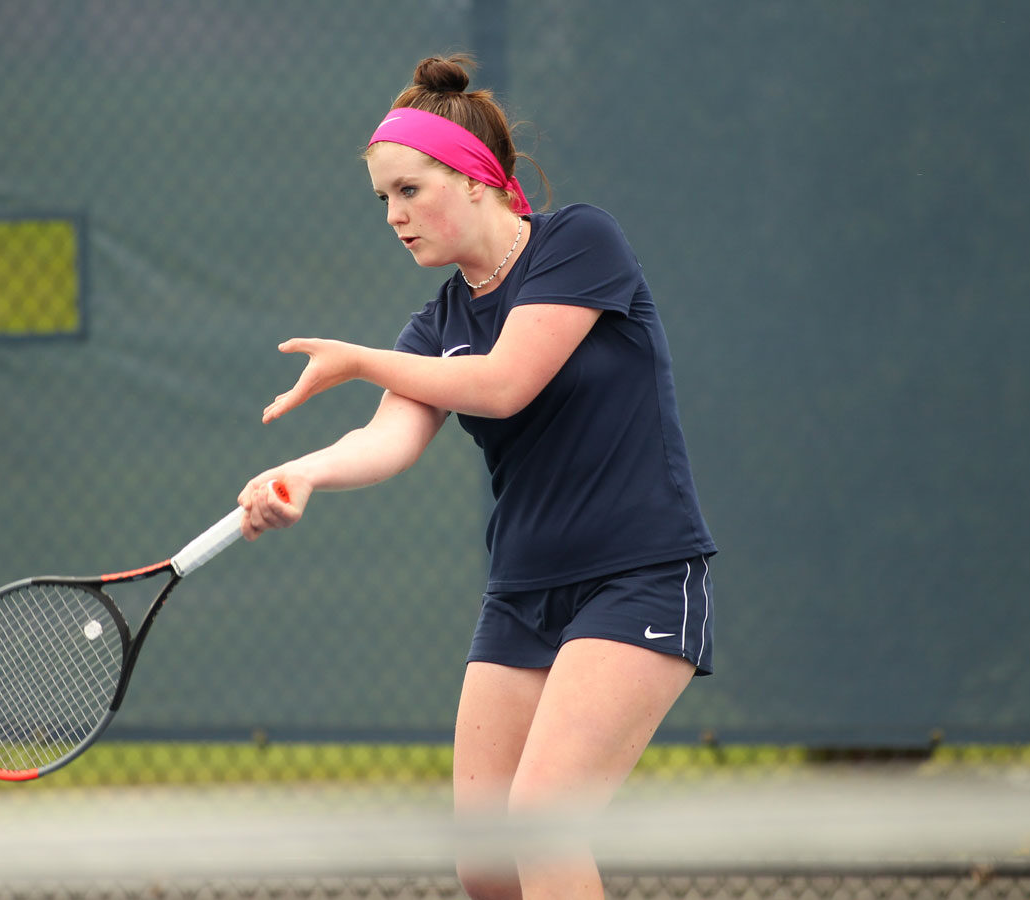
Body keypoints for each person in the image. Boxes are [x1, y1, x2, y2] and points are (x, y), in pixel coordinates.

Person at [236, 54, 717, 900]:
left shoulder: (579, 242)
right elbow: (389, 438)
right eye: (382, 198)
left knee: (541, 822)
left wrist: (358, 361)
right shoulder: (438, 324)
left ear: (474, 179)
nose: (393, 215)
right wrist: (302, 472)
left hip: (637, 577)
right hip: (523, 591)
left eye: (409, 190)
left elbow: (504, 381)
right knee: (488, 865)